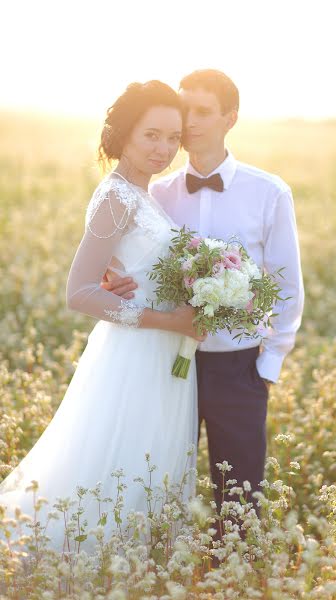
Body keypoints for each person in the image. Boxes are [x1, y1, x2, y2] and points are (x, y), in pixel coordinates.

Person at [0, 80, 204, 552]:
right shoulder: (118, 196)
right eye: (151, 134)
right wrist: (168, 320)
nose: (164, 148)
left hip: (164, 353)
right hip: (134, 353)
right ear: (124, 133)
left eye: (173, 138)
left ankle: (140, 564)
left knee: (149, 461)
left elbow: (131, 268)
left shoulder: (143, 194)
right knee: (120, 460)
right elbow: (80, 292)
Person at [104, 70, 304, 512]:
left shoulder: (269, 193)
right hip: (167, 361)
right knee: (157, 482)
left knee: (240, 493)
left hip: (239, 365)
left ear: (230, 118)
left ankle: (234, 574)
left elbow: (287, 285)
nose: (189, 122)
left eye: (203, 111)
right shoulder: (156, 192)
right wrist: (120, 281)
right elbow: (137, 266)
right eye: (184, 110)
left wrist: (268, 364)